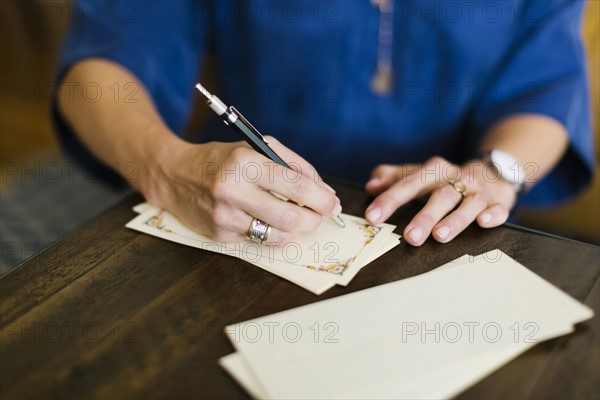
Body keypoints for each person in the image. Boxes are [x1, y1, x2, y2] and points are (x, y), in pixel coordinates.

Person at [54, 0, 593, 247]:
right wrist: (162, 164)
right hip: (233, 210)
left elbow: (546, 88)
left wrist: (499, 172)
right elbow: (105, 59)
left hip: (438, 228)